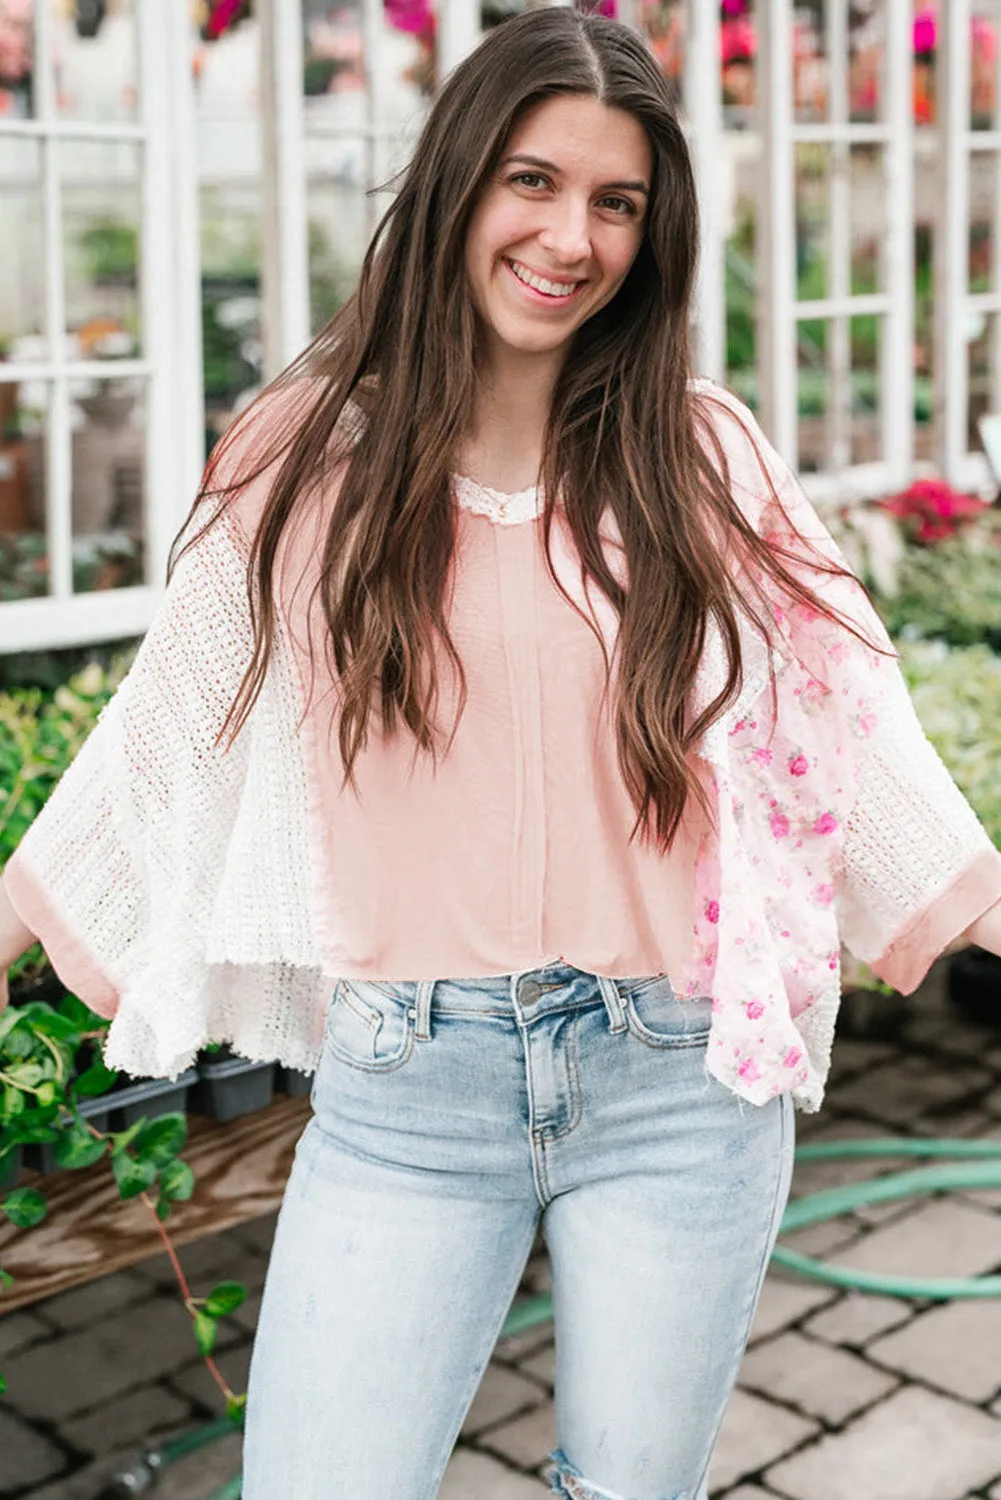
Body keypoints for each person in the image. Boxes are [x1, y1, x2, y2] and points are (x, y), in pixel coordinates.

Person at [2, 10, 1001, 1499]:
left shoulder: (700, 456)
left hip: (678, 1085)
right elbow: (163, 729)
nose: (572, 236)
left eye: (617, 202)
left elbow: (857, 726)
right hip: (411, 1094)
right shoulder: (301, 459)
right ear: (460, 183)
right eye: (533, 182)